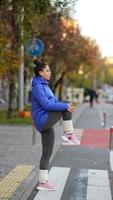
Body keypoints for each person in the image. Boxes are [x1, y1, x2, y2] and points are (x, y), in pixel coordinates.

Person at [31, 59, 80, 191]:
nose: (50, 72)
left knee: (47, 153)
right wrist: (65, 106)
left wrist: (64, 106)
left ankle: (43, 183)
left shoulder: (45, 85)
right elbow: (46, 105)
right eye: (47, 70)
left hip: (45, 119)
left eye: (49, 70)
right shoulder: (38, 87)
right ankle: (69, 135)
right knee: (66, 103)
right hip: (43, 119)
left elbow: (53, 101)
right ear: (40, 72)